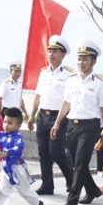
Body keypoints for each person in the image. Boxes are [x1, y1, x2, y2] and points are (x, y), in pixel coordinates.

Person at [51, 40, 103, 205]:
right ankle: (92, 190)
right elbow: (66, 102)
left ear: (94, 61)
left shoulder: (100, 83)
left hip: (91, 126)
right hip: (72, 124)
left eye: (85, 59)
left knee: (81, 162)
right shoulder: (71, 80)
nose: (81, 62)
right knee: (76, 163)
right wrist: (57, 123)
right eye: (79, 59)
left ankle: (72, 199)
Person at [27, 35, 74, 195]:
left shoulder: (69, 74)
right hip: (42, 115)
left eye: (55, 51)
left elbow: (68, 99)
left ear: (63, 54)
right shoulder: (44, 73)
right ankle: (47, 185)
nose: (51, 54)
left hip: (58, 117)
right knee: (43, 152)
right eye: (49, 51)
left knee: (56, 151)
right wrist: (31, 115)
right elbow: (38, 95)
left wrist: (59, 121)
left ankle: (71, 179)